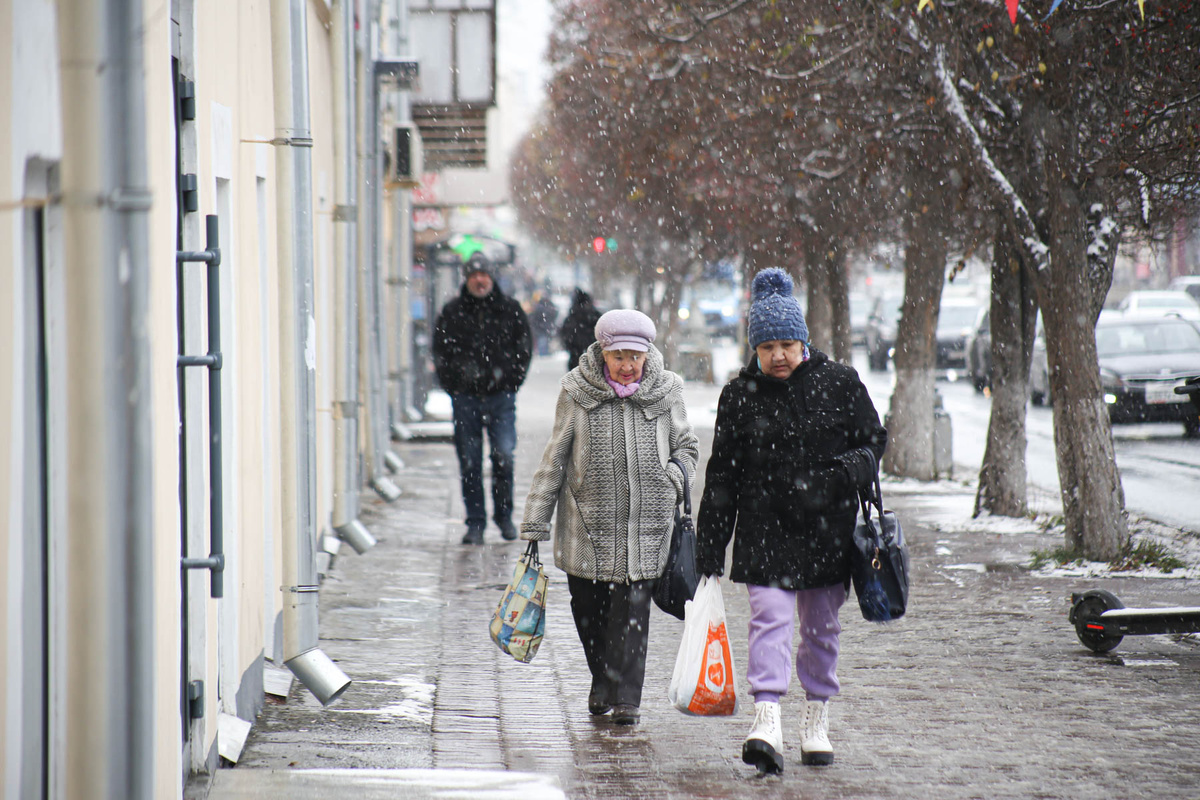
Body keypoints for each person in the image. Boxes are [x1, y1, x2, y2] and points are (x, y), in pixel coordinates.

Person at [696, 267, 886, 774]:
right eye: (767, 346)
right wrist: (710, 543)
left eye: (787, 343)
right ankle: (767, 719)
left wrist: (846, 471)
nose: (778, 355)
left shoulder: (840, 383)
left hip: (827, 531)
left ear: (803, 340)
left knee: (822, 629)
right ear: (754, 349)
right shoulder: (739, 396)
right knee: (771, 622)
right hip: (764, 530)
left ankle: (816, 718)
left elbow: (874, 441)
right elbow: (722, 475)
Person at [520, 309, 699, 726]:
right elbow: (555, 458)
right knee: (590, 612)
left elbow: (688, 448)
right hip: (587, 528)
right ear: (603, 352)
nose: (626, 365)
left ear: (647, 354)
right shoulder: (575, 391)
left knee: (634, 614)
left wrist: (673, 476)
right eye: (618, 356)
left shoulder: (667, 391)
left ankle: (626, 698)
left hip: (647, 528)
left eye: (634, 356)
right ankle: (602, 678)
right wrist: (534, 522)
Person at [432, 254, 533, 545]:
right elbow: (440, 351)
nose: (480, 280)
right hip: (466, 398)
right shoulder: (452, 312)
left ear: (492, 277)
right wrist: (453, 383)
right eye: (475, 275)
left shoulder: (510, 309)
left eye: (485, 275)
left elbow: (524, 348)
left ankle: (504, 516)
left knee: (504, 455)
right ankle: (475, 522)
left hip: (501, 397)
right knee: (470, 461)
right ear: (467, 278)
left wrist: (511, 380)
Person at [559, 289, 603, 371]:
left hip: (576, 355)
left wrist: (570, 347)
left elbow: (566, 333)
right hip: (592, 354)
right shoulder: (595, 315)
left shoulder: (572, 315)